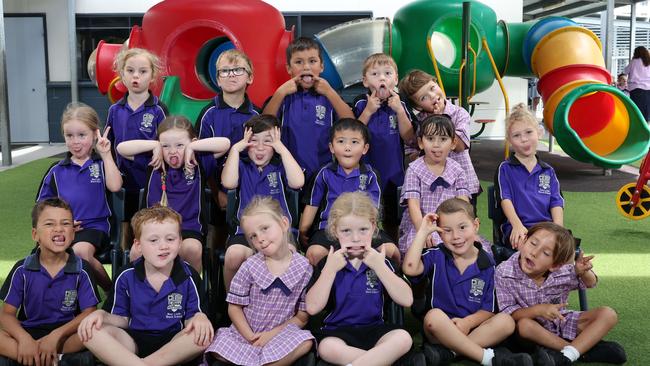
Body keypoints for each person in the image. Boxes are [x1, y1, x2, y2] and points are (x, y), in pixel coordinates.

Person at [402, 198, 533, 366]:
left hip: (473, 330)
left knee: (506, 322)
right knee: (433, 316)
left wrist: (467, 323)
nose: (456, 236)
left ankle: (449, 353)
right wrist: (422, 232)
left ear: (476, 225)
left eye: (463, 227)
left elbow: (489, 310)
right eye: (447, 231)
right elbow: (410, 268)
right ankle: (487, 358)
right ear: (439, 233)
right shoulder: (435, 255)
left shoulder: (489, 265)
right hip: (440, 330)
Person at [78, 206, 214, 366]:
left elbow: (191, 319)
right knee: (90, 331)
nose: (163, 246)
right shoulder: (126, 275)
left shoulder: (188, 275)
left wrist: (199, 317)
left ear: (180, 242)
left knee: (202, 336)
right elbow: (122, 319)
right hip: (131, 343)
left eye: (170, 239)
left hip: (173, 344)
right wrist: (101, 315)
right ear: (138, 245)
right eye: (153, 240)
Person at [305, 192, 423, 366]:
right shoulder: (329, 262)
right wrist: (329, 270)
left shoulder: (380, 260)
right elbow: (313, 308)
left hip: (375, 330)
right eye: (346, 231)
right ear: (335, 230)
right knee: (327, 348)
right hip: (337, 332)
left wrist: (380, 267)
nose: (355, 238)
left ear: (374, 227)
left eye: (363, 230)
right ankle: (380, 361)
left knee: (403, 338)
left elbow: (406, 299)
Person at [495, 222, 626, 365]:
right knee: (525, 325)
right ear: (524, 241)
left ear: (555, 265)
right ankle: (581, 352)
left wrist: (584, 272)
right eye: (533, 243)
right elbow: (509, 314)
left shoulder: (562, 271)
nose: (534, 253)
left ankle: (565, 355)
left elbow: (591, 283)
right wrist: (538, 310)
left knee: (608, 314)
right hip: (530, 332)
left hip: (561, 323)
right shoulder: (504, 272)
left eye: (546, 253)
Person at [205, 196, 315, 366]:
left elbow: (301, 318)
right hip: (246, 335)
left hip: (280, 335)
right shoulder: (250, 266)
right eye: (253, 236)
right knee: (216, 344)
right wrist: (250, 336)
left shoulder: (304, 268)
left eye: (265, 229)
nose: (260, 239)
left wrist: (270, 336)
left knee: (306, 342)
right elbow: (234, 308)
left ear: (284, 224)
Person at [116, 115, 230, 272]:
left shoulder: (198, 162)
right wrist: (155, 146)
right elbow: (121, 148)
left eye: (180, 145)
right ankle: (146, 293)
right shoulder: (154, 161)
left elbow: (225, 143)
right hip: (154, 228)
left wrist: (192, 148)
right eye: (166, 146)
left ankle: (192, 291)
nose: (172, 151)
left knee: (192, 249)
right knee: (136, 251)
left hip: (187, 229)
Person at [0, 198, 100, 366]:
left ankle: (29, 359)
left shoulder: (82, 269)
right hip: (29, 333)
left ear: (73, 233)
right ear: (35, 235)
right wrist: (24, 339)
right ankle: (56, 360)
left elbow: (89, 312)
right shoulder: (22, 269)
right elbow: (7, 314)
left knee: (95, 332)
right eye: (49, 224)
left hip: (65, 336)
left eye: (66, 223)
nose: (59, 229)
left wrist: (55, 336)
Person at [37, 102, 122, 291]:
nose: (75, 141)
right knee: (43, 256)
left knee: (80, 252)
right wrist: (62, 222)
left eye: (82, 135)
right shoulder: (56, 171)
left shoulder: (101, 164)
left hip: (95, 228)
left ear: (94, 134)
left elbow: (115, 186)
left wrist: (106, 155)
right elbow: (41, 209)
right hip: (62, 229)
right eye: (69, 136)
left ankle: (112, 294)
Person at [299, 118, 399, 266]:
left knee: (391, 251)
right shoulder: (323, 173)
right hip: (329, 229)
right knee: (314, 254)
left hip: (363, 229)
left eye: (354, 142)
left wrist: (367, 231)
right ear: (331, 147)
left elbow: (374, 211)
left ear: (365, 148)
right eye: (341, 142)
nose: (347, 147)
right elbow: (312, 205)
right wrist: (303, 230)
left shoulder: (371, 175)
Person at [221, 114, 304, 291]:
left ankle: (286, 308)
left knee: (288, 255)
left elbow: (297, 182)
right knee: (233, 255)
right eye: (253, 141)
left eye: (267, 141)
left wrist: (281, 149)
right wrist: (235, 150)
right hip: (245, 233)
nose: (259, 148)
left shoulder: (281, 165)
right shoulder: (241, 165)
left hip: (280, 233)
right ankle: (232, 302)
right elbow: (228, 183)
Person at [263, 37, 354, 181]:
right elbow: (263, 126)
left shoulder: (330, 96)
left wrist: (330, 92)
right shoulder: (283, 96)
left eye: (312, 61)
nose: (306, 67)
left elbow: (351, 124)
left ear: (321, 66)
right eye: (299, 62)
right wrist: (280, 93)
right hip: (286, 173)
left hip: (324, 174)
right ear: (289, 68)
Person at [106, 48, 168, 244]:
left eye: (143, 71)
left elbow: (167, 144)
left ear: (152, 76)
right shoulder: (115, 110)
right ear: (121, 75)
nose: (136, 76)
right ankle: (126, 268)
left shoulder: (159, 110)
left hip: (151, 180)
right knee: (126, 230)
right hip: (123, 182)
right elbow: (109, 145)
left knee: (149, 229)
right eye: (130, 70)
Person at [353, 53, 415, 239]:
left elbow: (410, 137)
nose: (382, 78)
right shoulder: (361, 102)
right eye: (375, 74)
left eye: (387, 73)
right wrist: (369, 111)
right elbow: (355, 134)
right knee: (365, 215)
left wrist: (399, 111)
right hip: (366, 170)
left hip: (394, 173)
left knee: (392, 218)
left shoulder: (401, 103)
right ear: (365, 81)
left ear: (395, 79)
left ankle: (394, 251)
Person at [398, 69, 481, 208]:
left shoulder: (459, 113)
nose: (432, 96)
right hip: (430, 189)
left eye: (432, 88)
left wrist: (440, 122)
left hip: (463, 185)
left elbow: (459, 146)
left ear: (436, 82)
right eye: (423, 98)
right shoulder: (419, 122)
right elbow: (412, 152)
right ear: (418, 106)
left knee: (463, 220)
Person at [398, 114, 470, 257]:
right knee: (423, 251)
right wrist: (423, 231)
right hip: (421, 224)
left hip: (451, 224)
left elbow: (463, 203)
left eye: (443, 139)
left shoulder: (458, 170)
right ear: (420, 143)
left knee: (472, 249)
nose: (436, 145)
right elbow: (414, 207)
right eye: (430, 139)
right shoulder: (414, 170)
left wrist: (459, 229)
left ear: (453, 143)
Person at [197, 49, 260, 210]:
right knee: (218, 231)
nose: (231, 75)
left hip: (252, 189)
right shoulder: (208, 115)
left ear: (250, 77)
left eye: (238, 70)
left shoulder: (257, 115)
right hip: (216, 187)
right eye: (224, 71)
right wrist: (217, 192)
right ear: (218, 79)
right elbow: (202, 159)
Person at [495, 103, 564, 249]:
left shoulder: (548, 171)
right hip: (519, 228)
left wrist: (559, 230)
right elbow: (505, 199)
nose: (524, 139)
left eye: (528, 132)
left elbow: (556, 203)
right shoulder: (505, 169)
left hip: (546, 229)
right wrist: (517, 225)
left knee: (567, 249)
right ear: (509, 140)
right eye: (516, 135)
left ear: (539, 132)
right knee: (530, 248)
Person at [624, 46, 650, 121]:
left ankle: (639, 126)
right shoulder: (648, 62)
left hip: (636, 88)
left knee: (637, 109)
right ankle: (646, 127)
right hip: (648, 88)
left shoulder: (634, 61)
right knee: (647, 109)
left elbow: (625, 71)